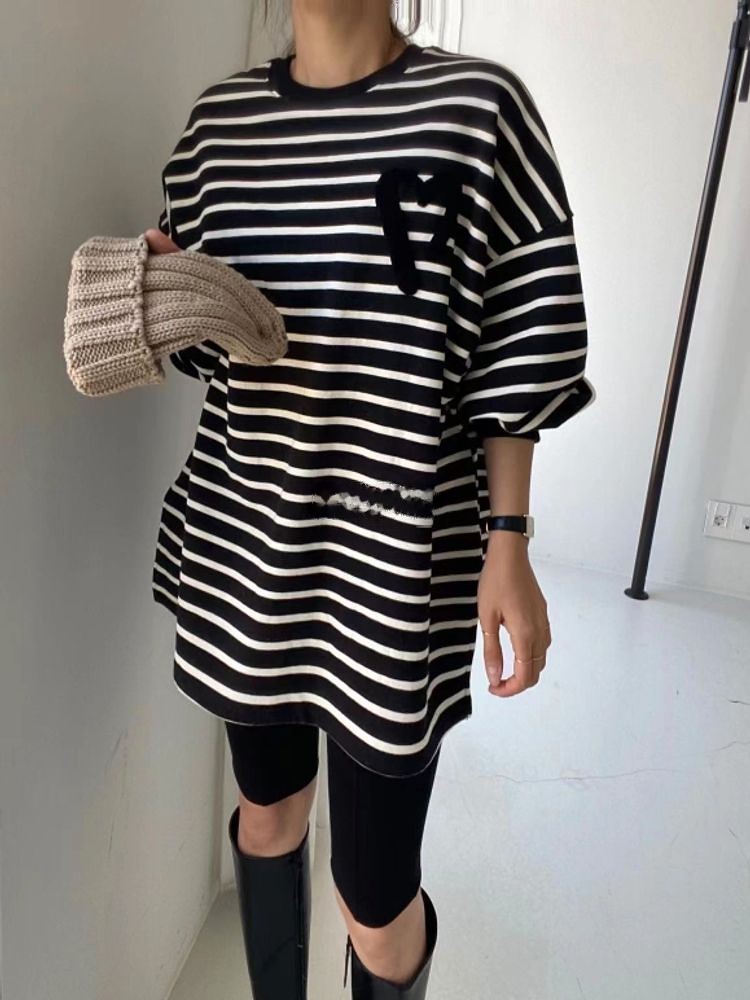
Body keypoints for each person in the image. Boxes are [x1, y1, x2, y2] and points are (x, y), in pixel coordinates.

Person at [145, 1, 596, 997]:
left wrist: (509, 539)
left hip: (396, 567)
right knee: (268, 815)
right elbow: (207, 357)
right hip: (251, 547)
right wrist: (166, 301)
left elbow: (519, 348)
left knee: (375, 899)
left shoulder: (478, 111)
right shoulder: (219, 128)